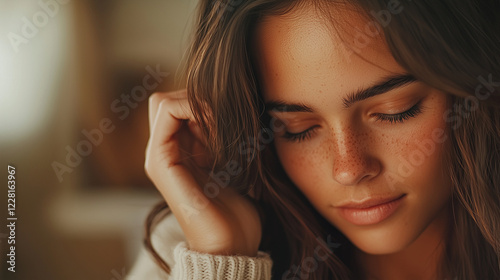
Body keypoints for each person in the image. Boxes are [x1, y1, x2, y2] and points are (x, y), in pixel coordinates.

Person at [127, 0, 500, 279]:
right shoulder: (184, 250)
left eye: (394, 111)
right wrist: (223, 259)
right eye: (297, 129)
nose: (349, 170)